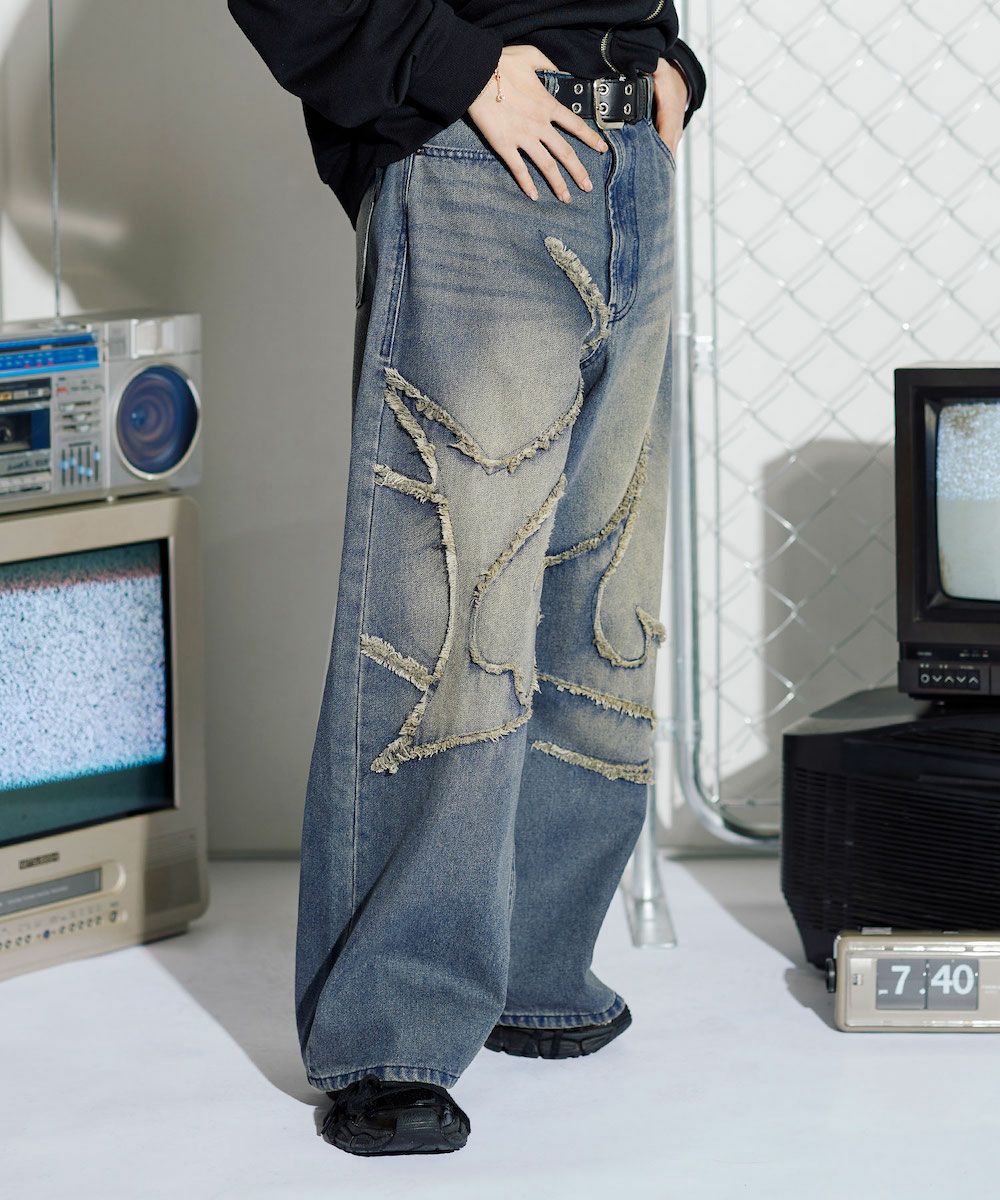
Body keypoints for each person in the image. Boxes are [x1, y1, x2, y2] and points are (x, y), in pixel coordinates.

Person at [227, 0, 705, 1157]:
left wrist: (667, 55)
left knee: (599, 603)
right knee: (446, 620)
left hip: (627, 159)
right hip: (479, 157)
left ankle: (534, 966)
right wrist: (452, 69)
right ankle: (389, 1033)